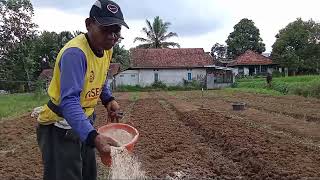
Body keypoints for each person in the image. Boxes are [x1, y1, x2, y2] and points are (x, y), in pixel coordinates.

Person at [36, 0, 129, 180]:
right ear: (89, 24)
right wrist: (95, 137)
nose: (112, 36)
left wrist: (108, 99)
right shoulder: (75, 54)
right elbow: (69, 101)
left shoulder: (106, 49)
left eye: (116, 30)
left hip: (83, 123)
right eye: (105, 28)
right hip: (60, 127)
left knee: (88, 175)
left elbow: (99, 78)